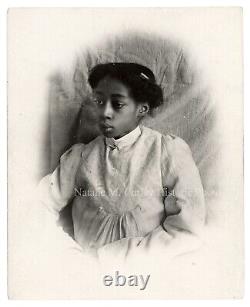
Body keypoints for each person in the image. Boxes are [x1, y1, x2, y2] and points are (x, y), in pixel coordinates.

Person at [40, 62, 206, 259]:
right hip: (82, 270)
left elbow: (186, 229)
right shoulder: (82, 156)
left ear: (142, 109)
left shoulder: (165, 151)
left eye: (117, 104)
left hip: (149, 269)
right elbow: (39, 204)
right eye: (100, 102)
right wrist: (67, 253)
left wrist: (115, 260)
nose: (105, 113)